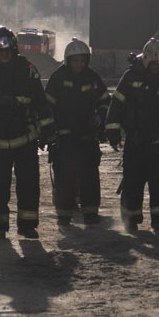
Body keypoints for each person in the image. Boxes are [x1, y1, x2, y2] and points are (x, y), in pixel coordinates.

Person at [0, 26, 56, 240]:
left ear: (14, 49)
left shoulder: (28, 69)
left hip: (25, 135)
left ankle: (27, 225)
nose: (4, 54)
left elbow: (41, 102)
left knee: (29, 184)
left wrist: (48, 131)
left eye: (7, 50)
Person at [105, 38, 159, 233]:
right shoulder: (130, 77)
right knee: (132, 182)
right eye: (156, 62)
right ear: (147, 59)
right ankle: (130, 221)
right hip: (136, 140)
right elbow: (116, 105)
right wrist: (113, 132)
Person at [45, 38, 109, 226]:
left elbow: (105, 101)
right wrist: (50, 132)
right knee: (65, 176)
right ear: (68, 60)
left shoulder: (92, 77)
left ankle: (90, 213)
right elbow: (46, 107)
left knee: (89, 174)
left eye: (82, 60)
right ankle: (64, 215)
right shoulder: (58, 78)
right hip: (64, 136)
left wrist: (100, 116)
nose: (79, 64)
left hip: (87, 136)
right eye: (76, 61)